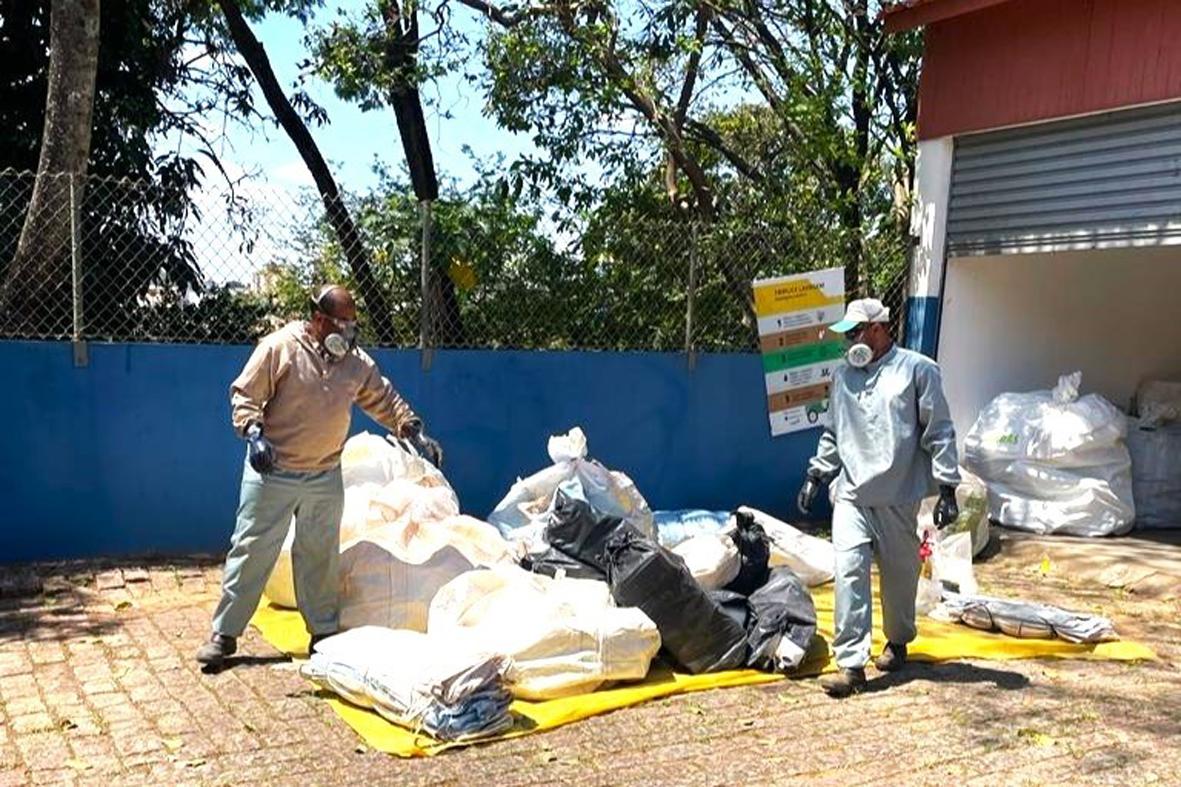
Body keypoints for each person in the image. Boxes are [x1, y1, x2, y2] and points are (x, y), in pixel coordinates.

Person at [196, 285, 442, 668]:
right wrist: (254, 435)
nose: (346, 332)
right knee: (252, 549)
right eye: (340, 323)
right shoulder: (280, 348)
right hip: (273, 471)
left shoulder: (355, 363)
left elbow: (384, 398)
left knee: (320, 556)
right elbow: (245, 395)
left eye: (351, 324)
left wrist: (413, 429)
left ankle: (323, 634)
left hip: (324, 474)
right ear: (318, 319)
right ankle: (224, 634)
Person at [797, 297, 960, 698]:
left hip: (898, 495)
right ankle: (851, 666)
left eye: (855, 332)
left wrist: (948, 488)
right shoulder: (844, 377)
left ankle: (899, 640)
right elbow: (834, 432)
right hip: (852, 494)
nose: (850, 341)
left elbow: (938, 429)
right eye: (847, 334)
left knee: (899, 579)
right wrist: (816, 475)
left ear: (878, 328)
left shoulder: (917, 370)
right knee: (850, 572)